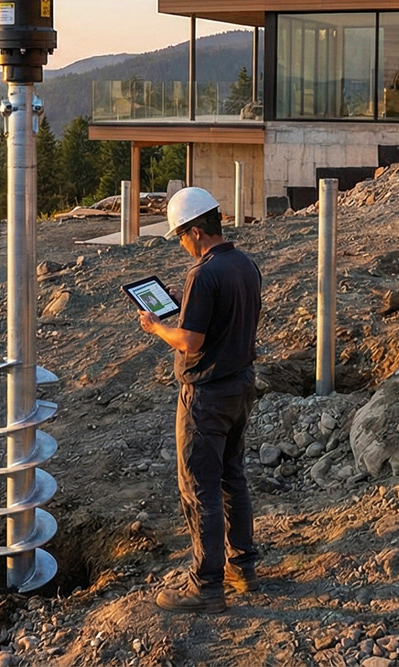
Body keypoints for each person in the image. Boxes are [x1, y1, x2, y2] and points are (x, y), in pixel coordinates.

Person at [136, 186, 261, 614]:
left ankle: (205, 587)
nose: (183, 246)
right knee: (232, 477)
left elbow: (189, 342)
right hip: (241, 386)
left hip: (206, 396)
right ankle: (242, 566)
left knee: (199, 489)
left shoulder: (203, 275)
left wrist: (156, 327)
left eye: (181, 237)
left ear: (194, 230)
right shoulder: (245, 264)